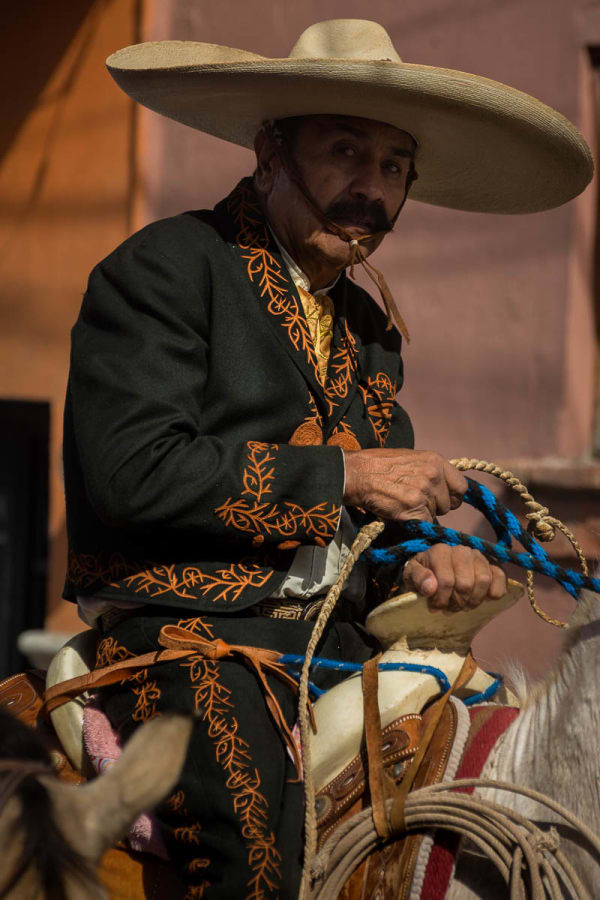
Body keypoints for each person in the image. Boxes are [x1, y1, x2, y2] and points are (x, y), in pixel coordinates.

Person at [61, 19, 592, 900]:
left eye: (393, 167)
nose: (372, 189)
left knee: (500, 777)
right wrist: (347, 477)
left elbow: (377, 532)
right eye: (347, 151)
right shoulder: (163, 269)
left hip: (333, 641)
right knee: (247, 851)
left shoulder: (370, 333)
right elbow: (131, 469)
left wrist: (431, 560)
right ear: (271, 153)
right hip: (191, 638)